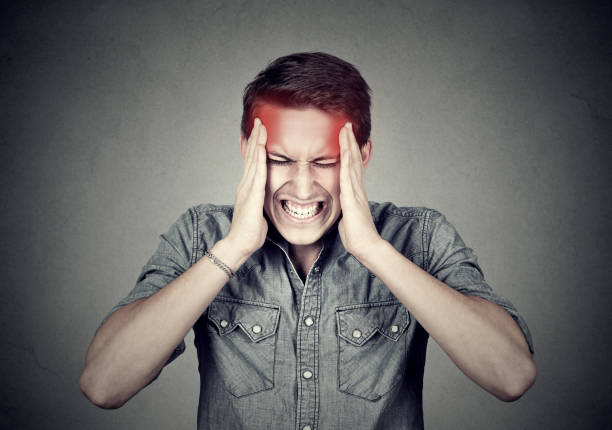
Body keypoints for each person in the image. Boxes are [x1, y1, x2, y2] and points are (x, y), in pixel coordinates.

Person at [79, 52, 536, 429]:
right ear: (247, 151)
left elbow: (512, 376)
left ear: (361, 156)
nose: (302, 188)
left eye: (325, 162)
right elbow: (103, 385)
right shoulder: (202, 235)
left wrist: (373, 250)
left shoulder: (419, 235)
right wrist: (232, 249)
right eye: (279, 159)